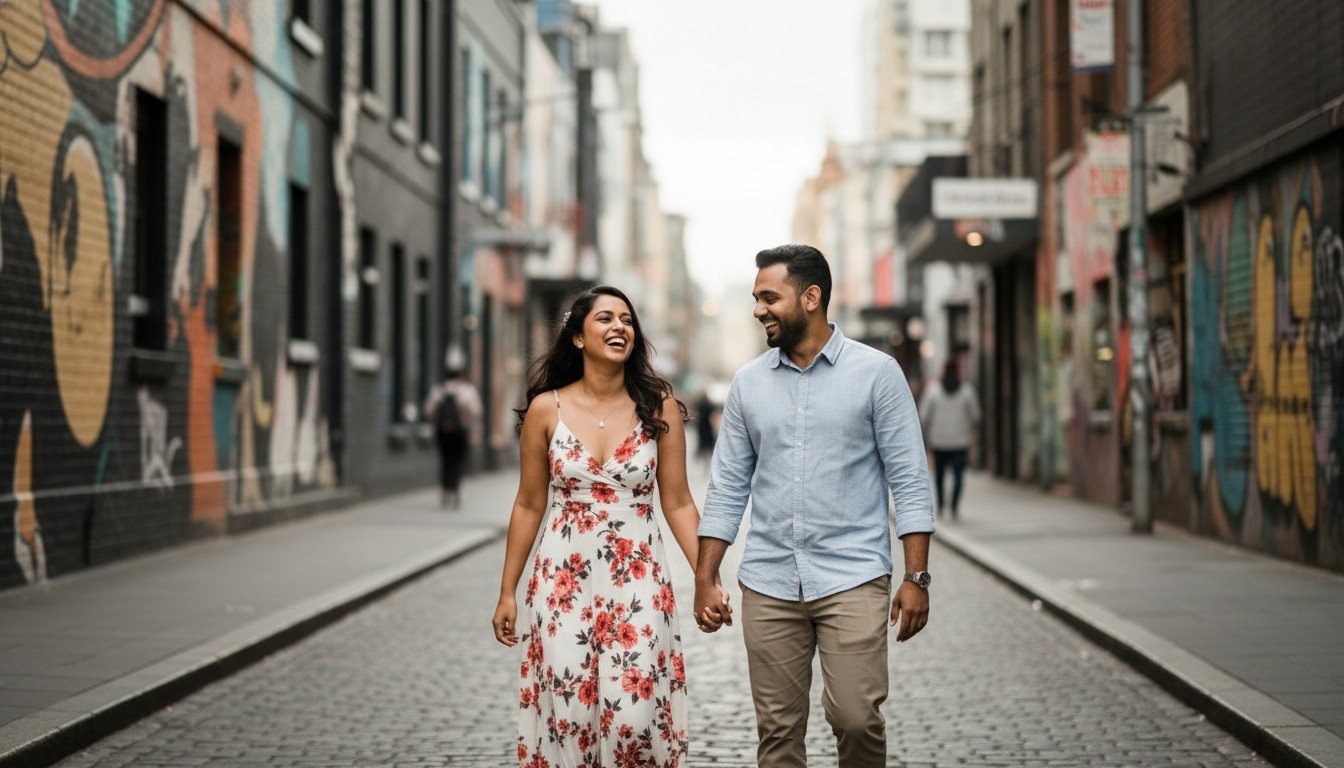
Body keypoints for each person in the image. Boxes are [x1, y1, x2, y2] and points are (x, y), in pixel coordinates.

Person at [693, 244, 935, 767]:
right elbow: (728, 486)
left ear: (810, 297)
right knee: (778, 735)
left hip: (851, 576)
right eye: (756, 298)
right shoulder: (748, 383)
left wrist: (916, 579)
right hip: (769, 581)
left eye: (768, 297)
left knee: (856, 719)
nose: (758, 309)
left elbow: (910, 480)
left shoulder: (877, 373)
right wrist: (705, 576)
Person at [491, 286, 707, 767]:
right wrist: (508, 590)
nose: (619, 327)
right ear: (578, 338)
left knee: (632, 717)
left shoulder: (659, 408)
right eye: (606, 319)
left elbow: (678, 502)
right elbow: (528, 504)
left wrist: (706, 578)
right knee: (569, 712)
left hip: (639, 580)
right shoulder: (548, 409)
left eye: (627, 320)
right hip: (562, 584)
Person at [919, 360, 981, 519]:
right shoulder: (967, 391)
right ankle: (953, 507)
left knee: (939, 476)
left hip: (938, 440)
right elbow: (976, 415)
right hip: (959, 441)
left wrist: (927, 435)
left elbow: (923, 416)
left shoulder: (932, 391)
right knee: (958, 476)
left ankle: (941, 506)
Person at [422, 350, 482, 509]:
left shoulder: (438, 390)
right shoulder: (467, 390)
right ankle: (455, 490)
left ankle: (445, 489)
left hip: (442, 432)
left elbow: (428, 410)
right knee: (458, 460)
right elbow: (476, 411)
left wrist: (438, 420)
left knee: (445, 460)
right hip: (460, 431)